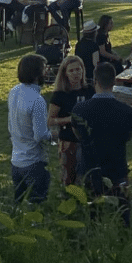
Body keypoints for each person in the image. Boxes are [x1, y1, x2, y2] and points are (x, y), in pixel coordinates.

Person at [71, 64, 132, 222]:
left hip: (90, 168)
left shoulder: (80, 109)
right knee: (122, 213)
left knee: (90, 214)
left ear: (95, 81)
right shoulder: (126, 111)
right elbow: (129, 136)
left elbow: (78, 135)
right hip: (117, 168)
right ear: (114, 81)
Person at [8, 53, 54, 203]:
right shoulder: (37, 100)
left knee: (18, 204)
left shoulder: (14, 91)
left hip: (16, 160)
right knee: (37, 207)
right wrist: (53, 135)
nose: (47, 73)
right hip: (33, 161)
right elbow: (40, 135)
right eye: (44, 69)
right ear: (37, 74)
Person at [48, 56, 94, 186]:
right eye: (71, 70)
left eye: (78, 69)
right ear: (65, 74)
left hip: (88, 140)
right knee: (69, 178)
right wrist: (70, 119)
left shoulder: (89, 89)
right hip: (69, 142)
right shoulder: (60, 95)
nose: (75, 73)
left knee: (88, 176)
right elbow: (50, 121)